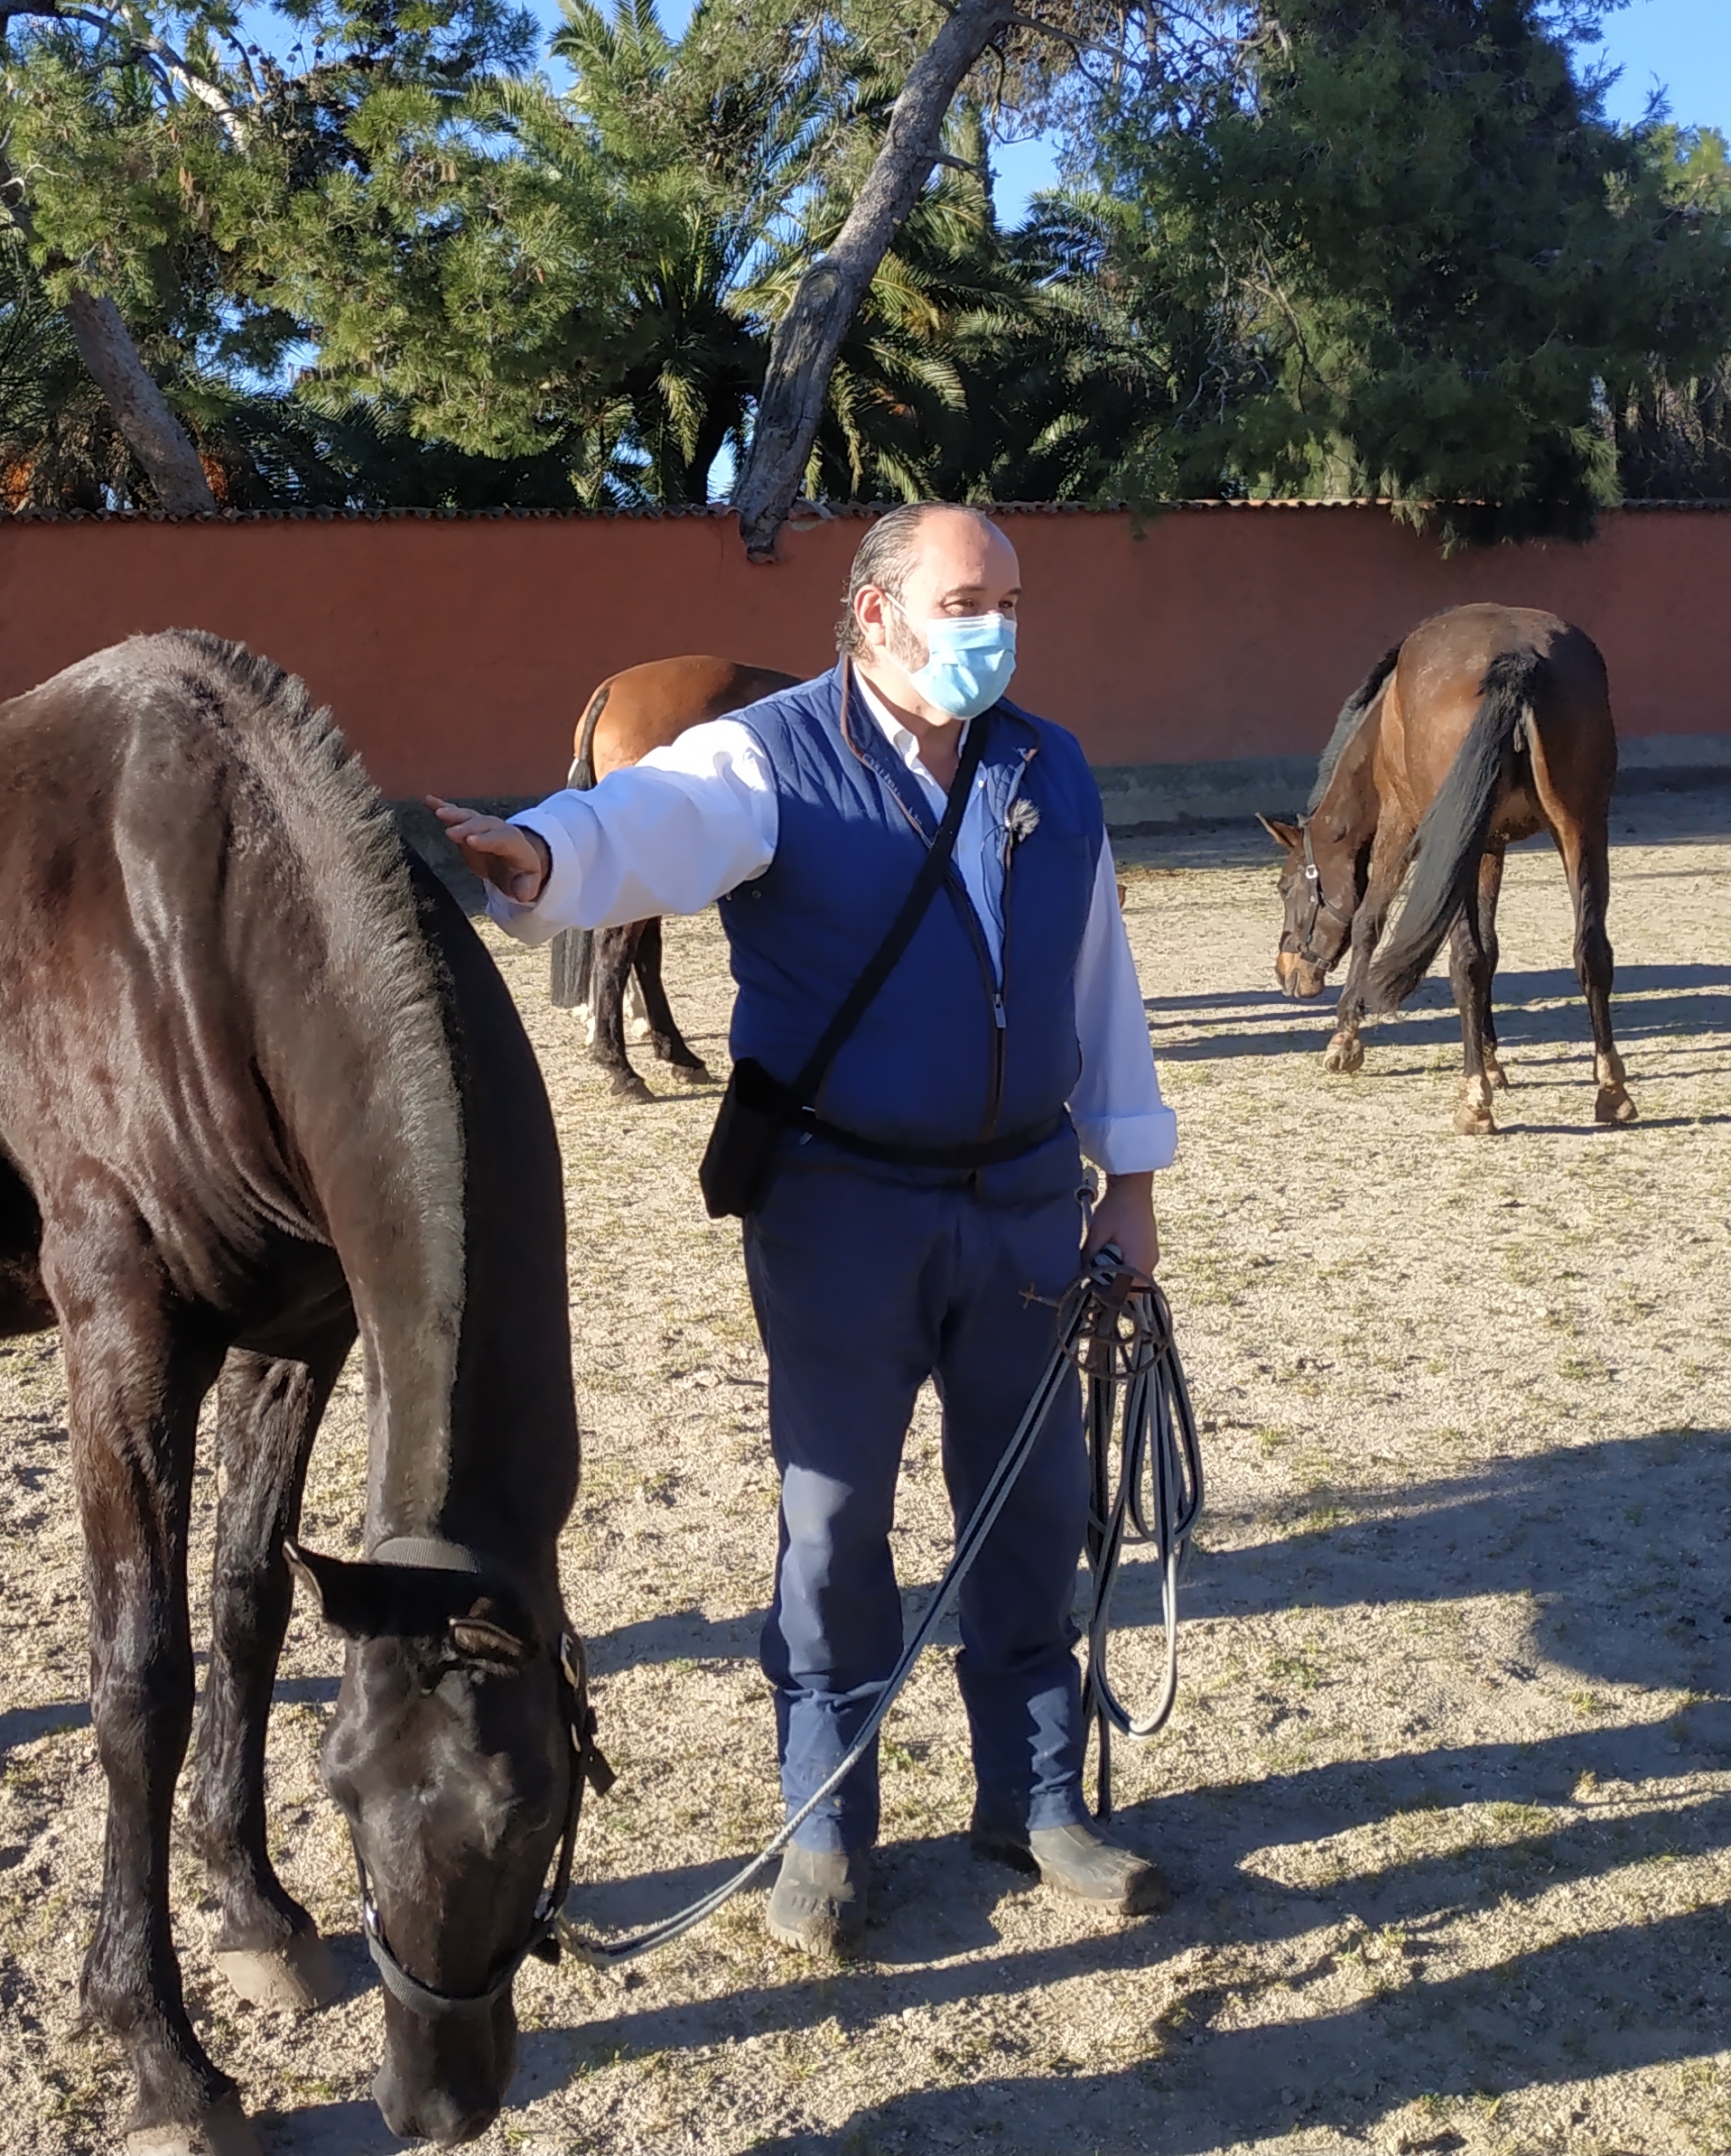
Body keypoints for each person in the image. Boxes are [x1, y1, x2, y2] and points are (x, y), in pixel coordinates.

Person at [431, 501, 1175, 1958]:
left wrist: (1129, 1182)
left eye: (1011, 601)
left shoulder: (1049, 765)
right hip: (842, 1209)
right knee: (833, 1527)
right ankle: (824, 1825)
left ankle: (1033, 1796)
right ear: (877, 614)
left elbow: (1101, 978)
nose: (1001, 629)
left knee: (1028, 1508)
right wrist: (545, 855)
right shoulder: (773, 755)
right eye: (970, 602)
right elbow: (655, 816)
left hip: (1026, 1205)